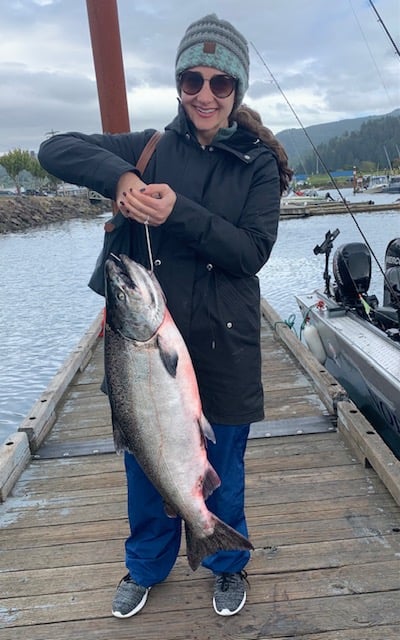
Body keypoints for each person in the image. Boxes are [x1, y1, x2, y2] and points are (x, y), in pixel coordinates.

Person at [39, 13, 292, 618]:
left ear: (237, 90)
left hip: (224, 347)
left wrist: (178, 211)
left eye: (220, 84)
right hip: (143, 350)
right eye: (192, 79)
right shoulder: (150, 148)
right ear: (179, 84)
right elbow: (55, 149)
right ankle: (147, 566)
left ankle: (225, 560)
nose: (204, 94)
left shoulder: (257, 163)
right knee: (148, 468)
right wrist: (122, 174)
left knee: (220, 470)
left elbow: (250, 253)